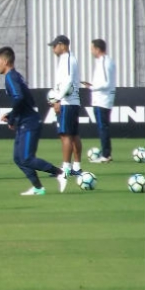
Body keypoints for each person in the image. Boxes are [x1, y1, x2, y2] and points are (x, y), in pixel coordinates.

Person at [0, 47, 66, 195]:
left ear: (6, 61)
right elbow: (23, 99)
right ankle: (38, 188)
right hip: (25, 120)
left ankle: (60, 173)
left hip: (29, 122)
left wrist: (12, 116)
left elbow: (19, 97)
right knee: (18, 158)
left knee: (26, 158)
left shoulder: (10, 77)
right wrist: (12, 115)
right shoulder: (15, 76)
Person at [47, 35, 83, 184]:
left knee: (66, 135)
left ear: (62, 45)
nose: (53, 49)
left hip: (68, 103)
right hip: (70, 102)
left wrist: (57, 99)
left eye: (54, 46)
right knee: (73, 135)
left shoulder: (67, 58)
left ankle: (66, 169)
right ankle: (76, 167)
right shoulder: (67, 59)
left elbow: (67, 82)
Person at [82, 38, 116, 163]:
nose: (91, 51)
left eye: (92, 49)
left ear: (97, 49)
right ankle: (106, 153)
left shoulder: (104, 62)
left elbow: (106, 83)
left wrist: (91, 87)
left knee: (103, 127)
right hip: (102, 99)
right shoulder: (104, 62)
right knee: (103, 127)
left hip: (103, 100)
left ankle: (106, 155)